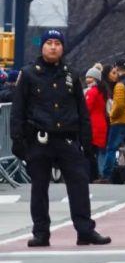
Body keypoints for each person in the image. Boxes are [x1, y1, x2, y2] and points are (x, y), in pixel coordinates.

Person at [9, 29, 111, 247]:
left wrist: (87, 142)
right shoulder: (28, 74)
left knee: (79, 184)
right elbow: (18, 109)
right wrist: (17, 140)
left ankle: (85, 231)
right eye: (49, 43)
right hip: (39, 138)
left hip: (67, 139)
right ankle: (41, 232)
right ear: (42, 47)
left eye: (57, 43)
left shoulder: (70, 74)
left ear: (62, 47)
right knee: (39, 188)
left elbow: (82, 111)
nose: (53, 47)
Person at [83, 66, 109, 180]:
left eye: (90, 77)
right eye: (87, 77)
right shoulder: (102, 91)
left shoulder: (92, 92)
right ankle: (101, 174)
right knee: (100, 152)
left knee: (89, 153)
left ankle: (91, 175)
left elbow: (86, 108)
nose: (87, 79)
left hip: (93, 125)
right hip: (101, 124)